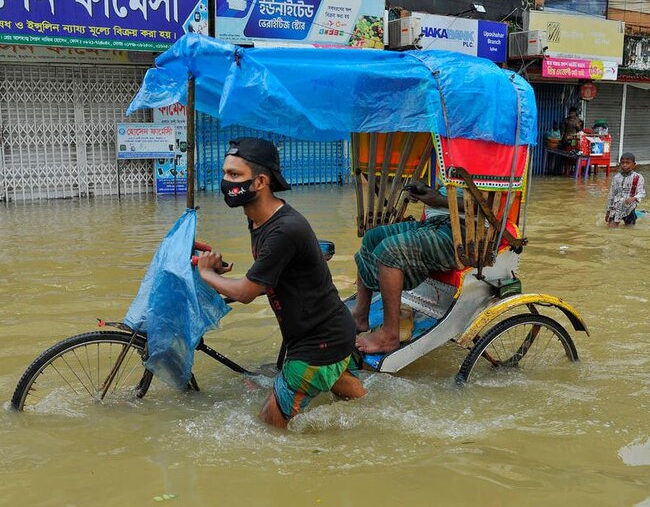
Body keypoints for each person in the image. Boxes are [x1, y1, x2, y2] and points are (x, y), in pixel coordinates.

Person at [196, 137, 366, 428]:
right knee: (358, 404)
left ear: (261, 181)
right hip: (326, 331)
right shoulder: (257, 218)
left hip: (319, 341)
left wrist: (206, 274)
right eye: (225, 173)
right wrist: (218, 273)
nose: (226, 182)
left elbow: (247, 293)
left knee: (269, 424)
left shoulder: (283, 229)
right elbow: (266, 275)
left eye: (235, 175)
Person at [352, 184, 459, 354]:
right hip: (433, 223)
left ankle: (390, 336)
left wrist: (438, 200)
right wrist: (427, 192)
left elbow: (484, 207)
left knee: (390, 251)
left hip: (462, 234)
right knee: (372, 237)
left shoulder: (495, 169)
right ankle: (360, 316)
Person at [605, 152, 645, 228]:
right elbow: (611, 194)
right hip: (616, 207)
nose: (624, 165)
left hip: (629, 207)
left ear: (634, 164)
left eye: (627, 163)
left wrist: (634, 198)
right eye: (622, 163)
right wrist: (608, 211)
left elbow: (642, 192)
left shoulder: (638, 177)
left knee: (629, 229)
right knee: (611, 228)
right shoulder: (616, 177)